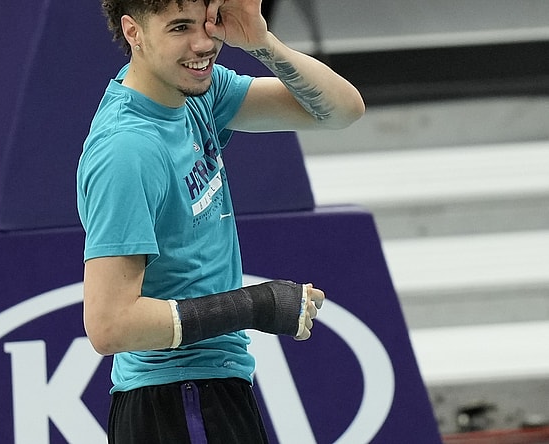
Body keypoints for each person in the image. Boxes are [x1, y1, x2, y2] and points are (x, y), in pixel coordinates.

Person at [76, 0, 365, 442]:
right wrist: (255, 305)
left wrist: (261, 42)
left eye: (206, 23)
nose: (203, 43)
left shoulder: (198, 93)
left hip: (206, 391)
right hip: (176, 402)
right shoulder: (127, 151)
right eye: (179, 28)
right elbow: (109, 325)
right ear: (134, 32)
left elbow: (342, 111)